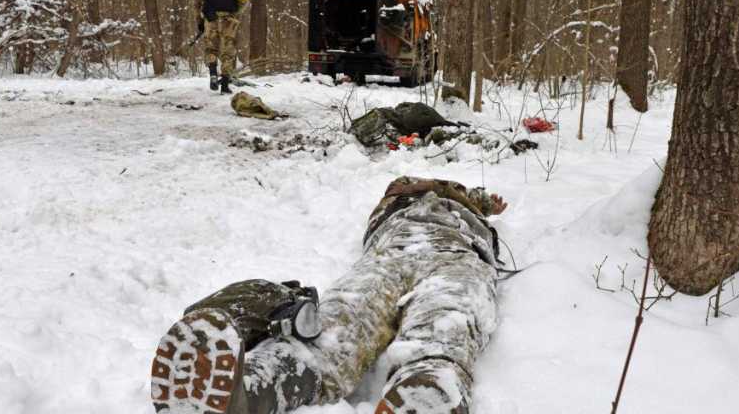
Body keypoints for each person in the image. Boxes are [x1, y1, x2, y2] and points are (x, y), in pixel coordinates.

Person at [151, 176, 508, 414]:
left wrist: (484, 202)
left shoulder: (459, 201)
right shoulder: (404, 192)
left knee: (440, 321)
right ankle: (245, 391)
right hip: (400, 249)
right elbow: (403, 188)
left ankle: (424, 392)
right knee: (339, 325)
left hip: (446, 253)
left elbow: (480, 199)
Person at [194, 0, 249, 94]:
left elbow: (197, 4)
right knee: (228, 52)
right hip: (228, 21)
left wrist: (200, 22)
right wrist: (235, 13)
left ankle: (213, 74)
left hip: (210, 19)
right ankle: (224, 84)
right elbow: (244, 1)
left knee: (211, 49)